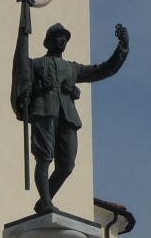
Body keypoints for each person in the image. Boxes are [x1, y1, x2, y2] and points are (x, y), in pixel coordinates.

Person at [12, 20, 129, 213]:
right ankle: (46, 202)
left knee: (66, 165)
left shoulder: (72, 68)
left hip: (67, 116)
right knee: (44, 158)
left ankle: (44, 201)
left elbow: (103, 69)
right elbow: (22, 76)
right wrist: (27, 95)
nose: (62, 40)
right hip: (44, 111)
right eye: (58, 37)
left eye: (64, 38)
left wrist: (122, 48)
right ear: (48, 42)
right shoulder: (36, 64)